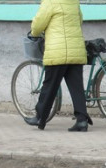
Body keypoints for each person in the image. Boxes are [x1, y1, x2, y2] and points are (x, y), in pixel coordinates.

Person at [24, 0, 93, 132]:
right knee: (77, 88)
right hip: (75, 50)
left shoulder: (50, 2)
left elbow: (38, 25)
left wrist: (34, 32)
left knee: (49, 86)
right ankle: (82, 121)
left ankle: (40, 117)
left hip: (57, 51)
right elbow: (80, 21)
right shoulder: (74, 3)